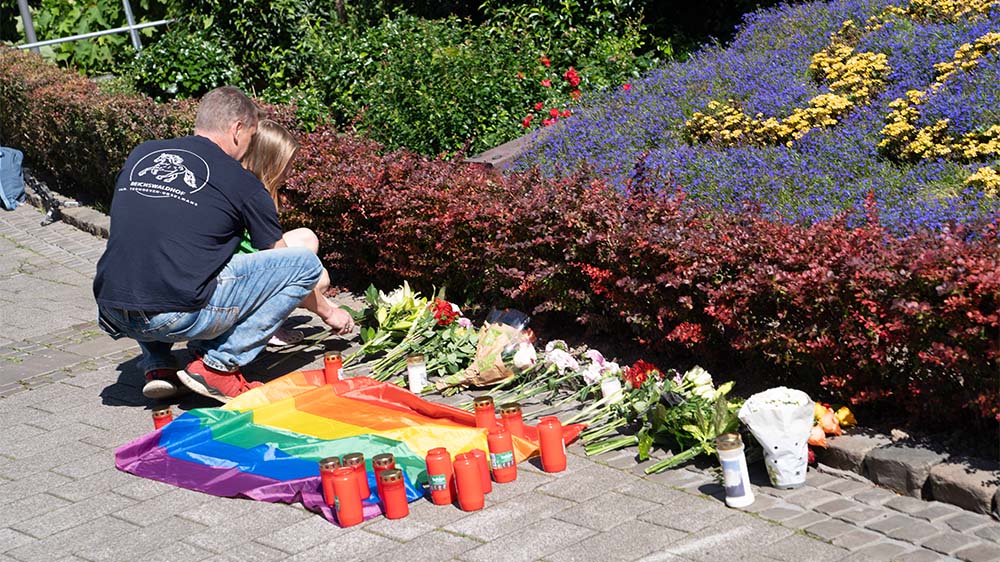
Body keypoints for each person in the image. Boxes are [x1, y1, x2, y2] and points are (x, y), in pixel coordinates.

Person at [93, 86, 353, 403]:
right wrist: (327, 311)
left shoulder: (143, 153)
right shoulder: (241, 181)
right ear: (237, 129)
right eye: (251, 136)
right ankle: (218, 367)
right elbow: (281, 266)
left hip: (113, 308)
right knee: (304, 265)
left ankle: (160, 364)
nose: (249, 146)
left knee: (155, 249)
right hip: (174, 315)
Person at [237, 120, 345, 346]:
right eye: (285, 166)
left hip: (249, 262)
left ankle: (270, 319)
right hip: (240, 280)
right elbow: (282, 262)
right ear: (269, 162)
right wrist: (327, 310)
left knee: (307, 237)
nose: (289, 173)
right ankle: (263, 326)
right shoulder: (254, 197)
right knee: (318, 278)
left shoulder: (247, 184)